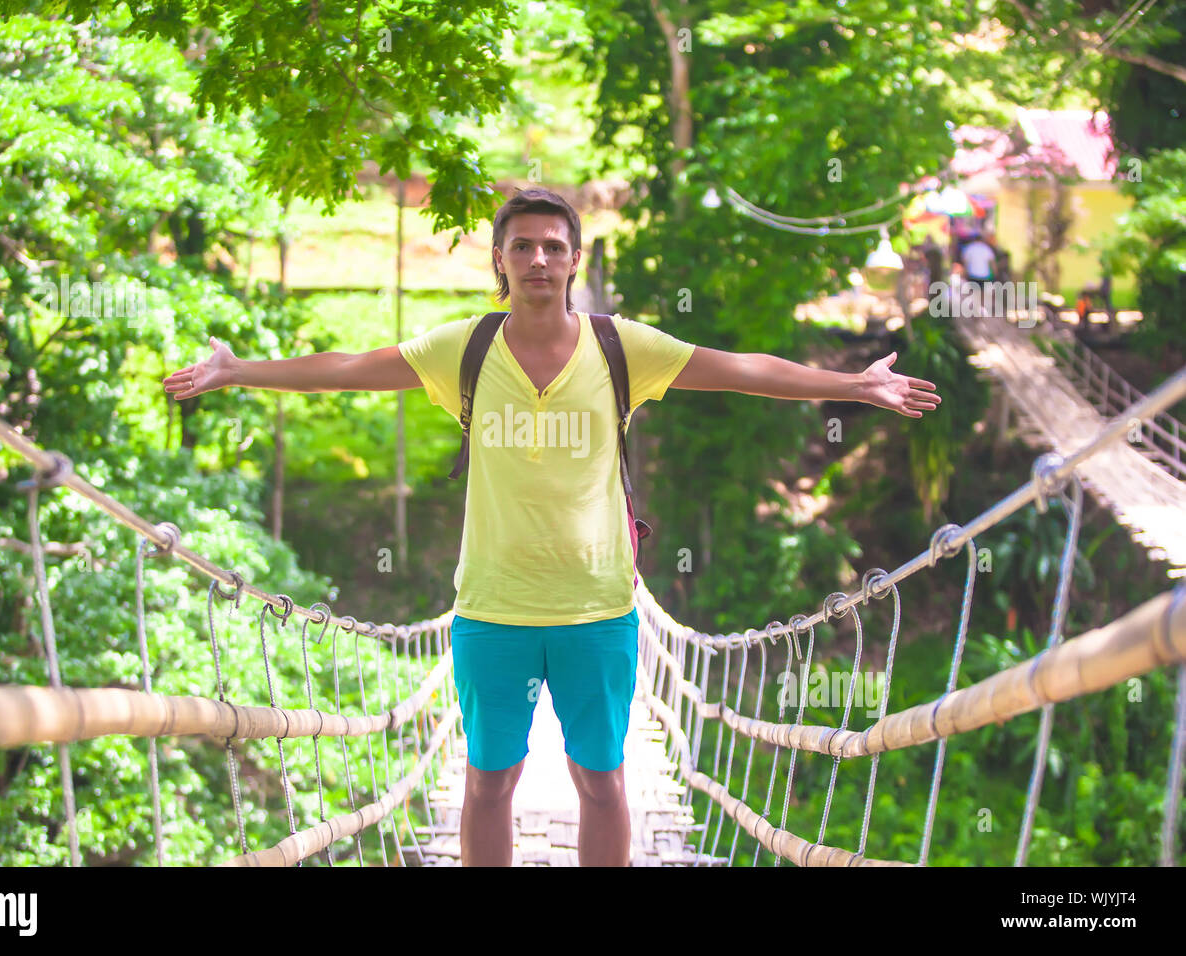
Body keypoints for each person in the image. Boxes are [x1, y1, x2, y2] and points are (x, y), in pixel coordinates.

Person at [161, 186, 942, 867]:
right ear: (500, 260)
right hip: (490, 611)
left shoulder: (619, 346)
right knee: (487, 783)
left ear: (575, 260)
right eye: (523, 246)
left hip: (598, 612)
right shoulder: (462, 349)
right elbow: (346, 367)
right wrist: (236, 371)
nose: (539, 259)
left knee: (602, 781)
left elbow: (739, 370)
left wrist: (855, 385)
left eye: (554, 247)